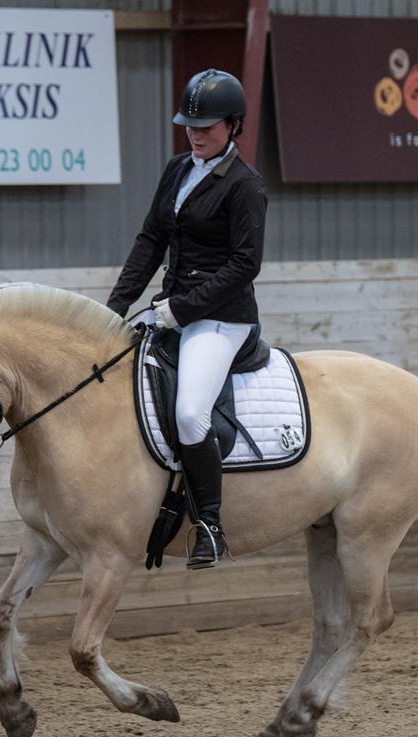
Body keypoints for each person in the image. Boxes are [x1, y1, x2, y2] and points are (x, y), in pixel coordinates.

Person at [107, 68, 268, 570]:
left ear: (234, 125)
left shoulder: (246, 186)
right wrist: (111, 309)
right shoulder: (179, 169)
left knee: (188, 413)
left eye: (208, 126)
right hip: (170, 309)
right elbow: (151, 240)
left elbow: (246, 265)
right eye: (189, 125)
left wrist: (178, 310)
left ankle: (211, 527)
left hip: (220, 319)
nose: (196, 133)